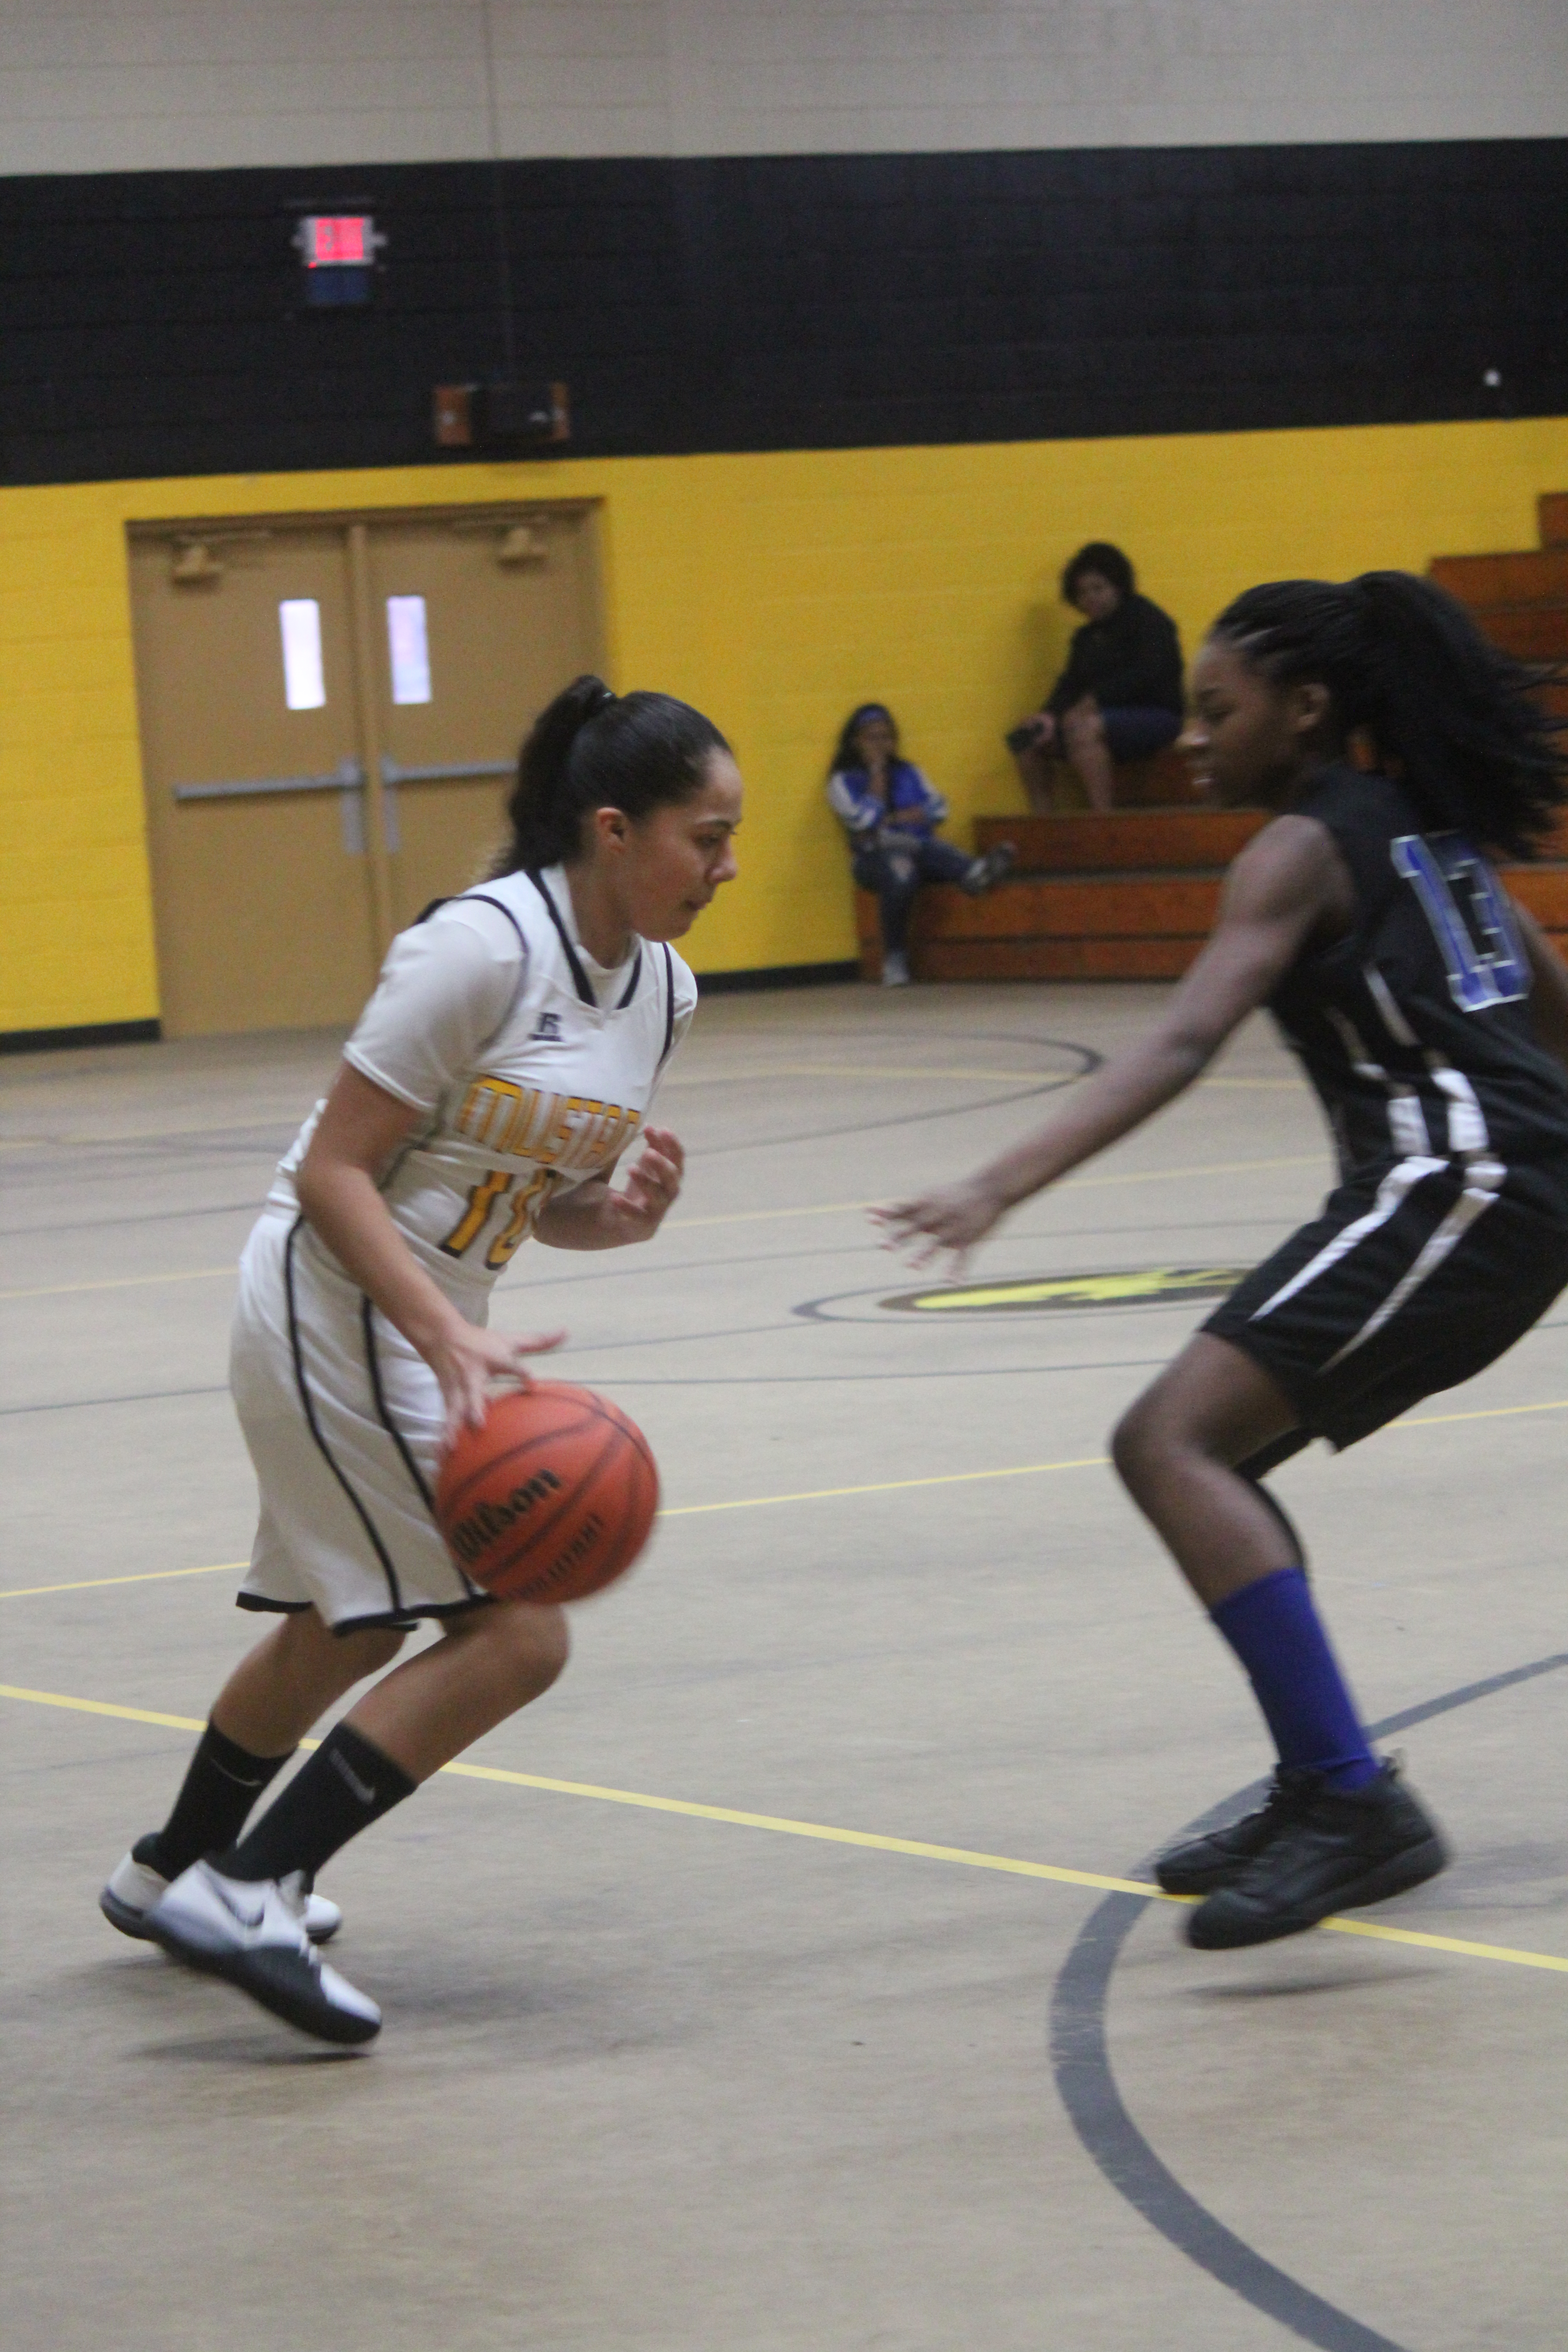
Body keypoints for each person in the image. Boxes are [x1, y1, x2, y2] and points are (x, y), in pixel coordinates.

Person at [882, 573, 1568, 1950]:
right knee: (1215, 1457)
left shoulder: (1300, 851)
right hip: (1505, 1183)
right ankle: (1323, 1772)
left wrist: (996, 1183)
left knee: (1169, 1444)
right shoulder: (1429, 840)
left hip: (1462, 1183)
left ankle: (1346, 1795)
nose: (1192, 739)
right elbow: (1552, 998)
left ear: (1306, 710)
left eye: (1217, 711)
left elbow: (1185, 1043)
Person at [100, 675, 742, 2044]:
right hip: (333, 1293)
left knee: (350, 1620)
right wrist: (447, 1328)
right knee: (518, 1630)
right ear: (615, 831)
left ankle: (168, 1872)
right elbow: (335, 1171)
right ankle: (252, 1887)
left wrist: (616, 1216)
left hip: (431, 1314)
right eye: (709, 835)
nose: (728, 867)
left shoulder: (665, 992)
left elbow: (525, 1195)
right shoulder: (479, 949)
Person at [828, 702, 1015, 986]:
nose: (881, 744)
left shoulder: (909, 772)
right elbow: (864, 820)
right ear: (857, 741)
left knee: (924, 849)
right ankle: (895, 959)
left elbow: (938, 809)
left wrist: (896, 818)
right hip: (874, 857)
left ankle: (973, 872)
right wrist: (878, 779)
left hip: (918, 848)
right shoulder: (842, 781)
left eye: (887, 737)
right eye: (873, 738)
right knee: (901, 873)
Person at [1009, 542, 1184, 813]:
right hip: (1101, 720)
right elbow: (1070, 684)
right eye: (1082, 593)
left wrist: (1095, 701)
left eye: (1098, 589)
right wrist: (1048, 715)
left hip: (1156, 715)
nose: (1091, 599)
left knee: (1082, 728)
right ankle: (1042, 821)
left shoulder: (1149, 620)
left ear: (1118, 586)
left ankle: (1103, 818)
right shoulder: (1086, 638)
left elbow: (1152, 673)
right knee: (1024, 736)